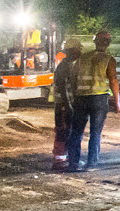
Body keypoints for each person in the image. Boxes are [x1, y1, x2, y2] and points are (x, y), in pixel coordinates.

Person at [65, 30, 120, 172]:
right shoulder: (109, 59)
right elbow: (113, 80)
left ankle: (73, 163)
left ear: (95, 42)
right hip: (99, 99)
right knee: (95, 132)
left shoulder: (83, 58)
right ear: (108, 44)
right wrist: (117, 101)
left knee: (77, 131)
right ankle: (92, 163)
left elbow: (73, 77)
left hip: (81, 98)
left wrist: (74, 95)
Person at [49, 39, 83, 171]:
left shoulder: (68, 65)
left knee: (66, 132)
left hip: (64, 106)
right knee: (63, 132)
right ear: (71, 51)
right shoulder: (64, 67)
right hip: (63, 106)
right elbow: (63, 89)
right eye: (77, 49)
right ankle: (59, 161)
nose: (80, 52)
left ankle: (64, 158)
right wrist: (69, 106)